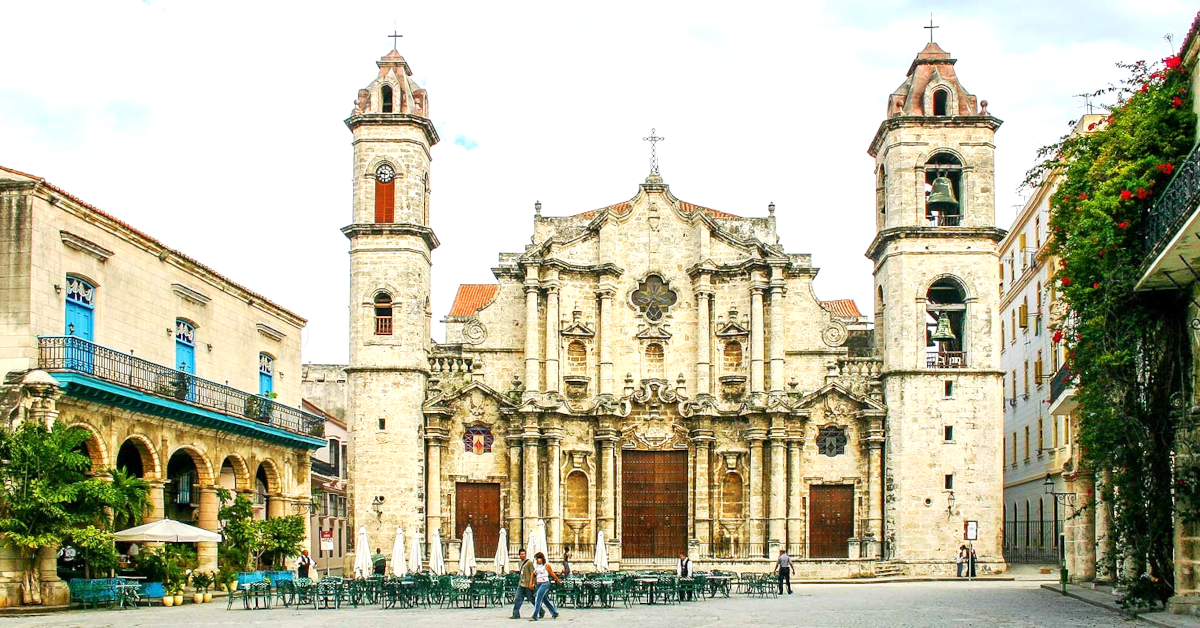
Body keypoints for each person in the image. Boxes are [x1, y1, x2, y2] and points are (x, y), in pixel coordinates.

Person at [530, 552, 561, 621]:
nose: (538, 560)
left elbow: (552, 573)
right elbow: (534, 575)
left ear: (542, 558)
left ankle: (535, 615)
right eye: (537, 559)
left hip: (545, 583)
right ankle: (554, 612)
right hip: (539, 583)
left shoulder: (546, 566)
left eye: (539, 558)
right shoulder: (537, 567)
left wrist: (558, 580)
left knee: (538, 598)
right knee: (545, 600)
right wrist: (533, 583)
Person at [510, 549, 535, 619]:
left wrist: (531, 583)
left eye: (524, 554)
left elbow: (532, 573)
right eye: (521, 554)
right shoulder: (519, 563)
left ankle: (540, 611)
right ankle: (515, 614)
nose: (522, 555)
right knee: (518, 598)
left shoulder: (529, 562)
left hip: (527, 584)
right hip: (521, 583)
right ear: (519, 555)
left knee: (531, 599)